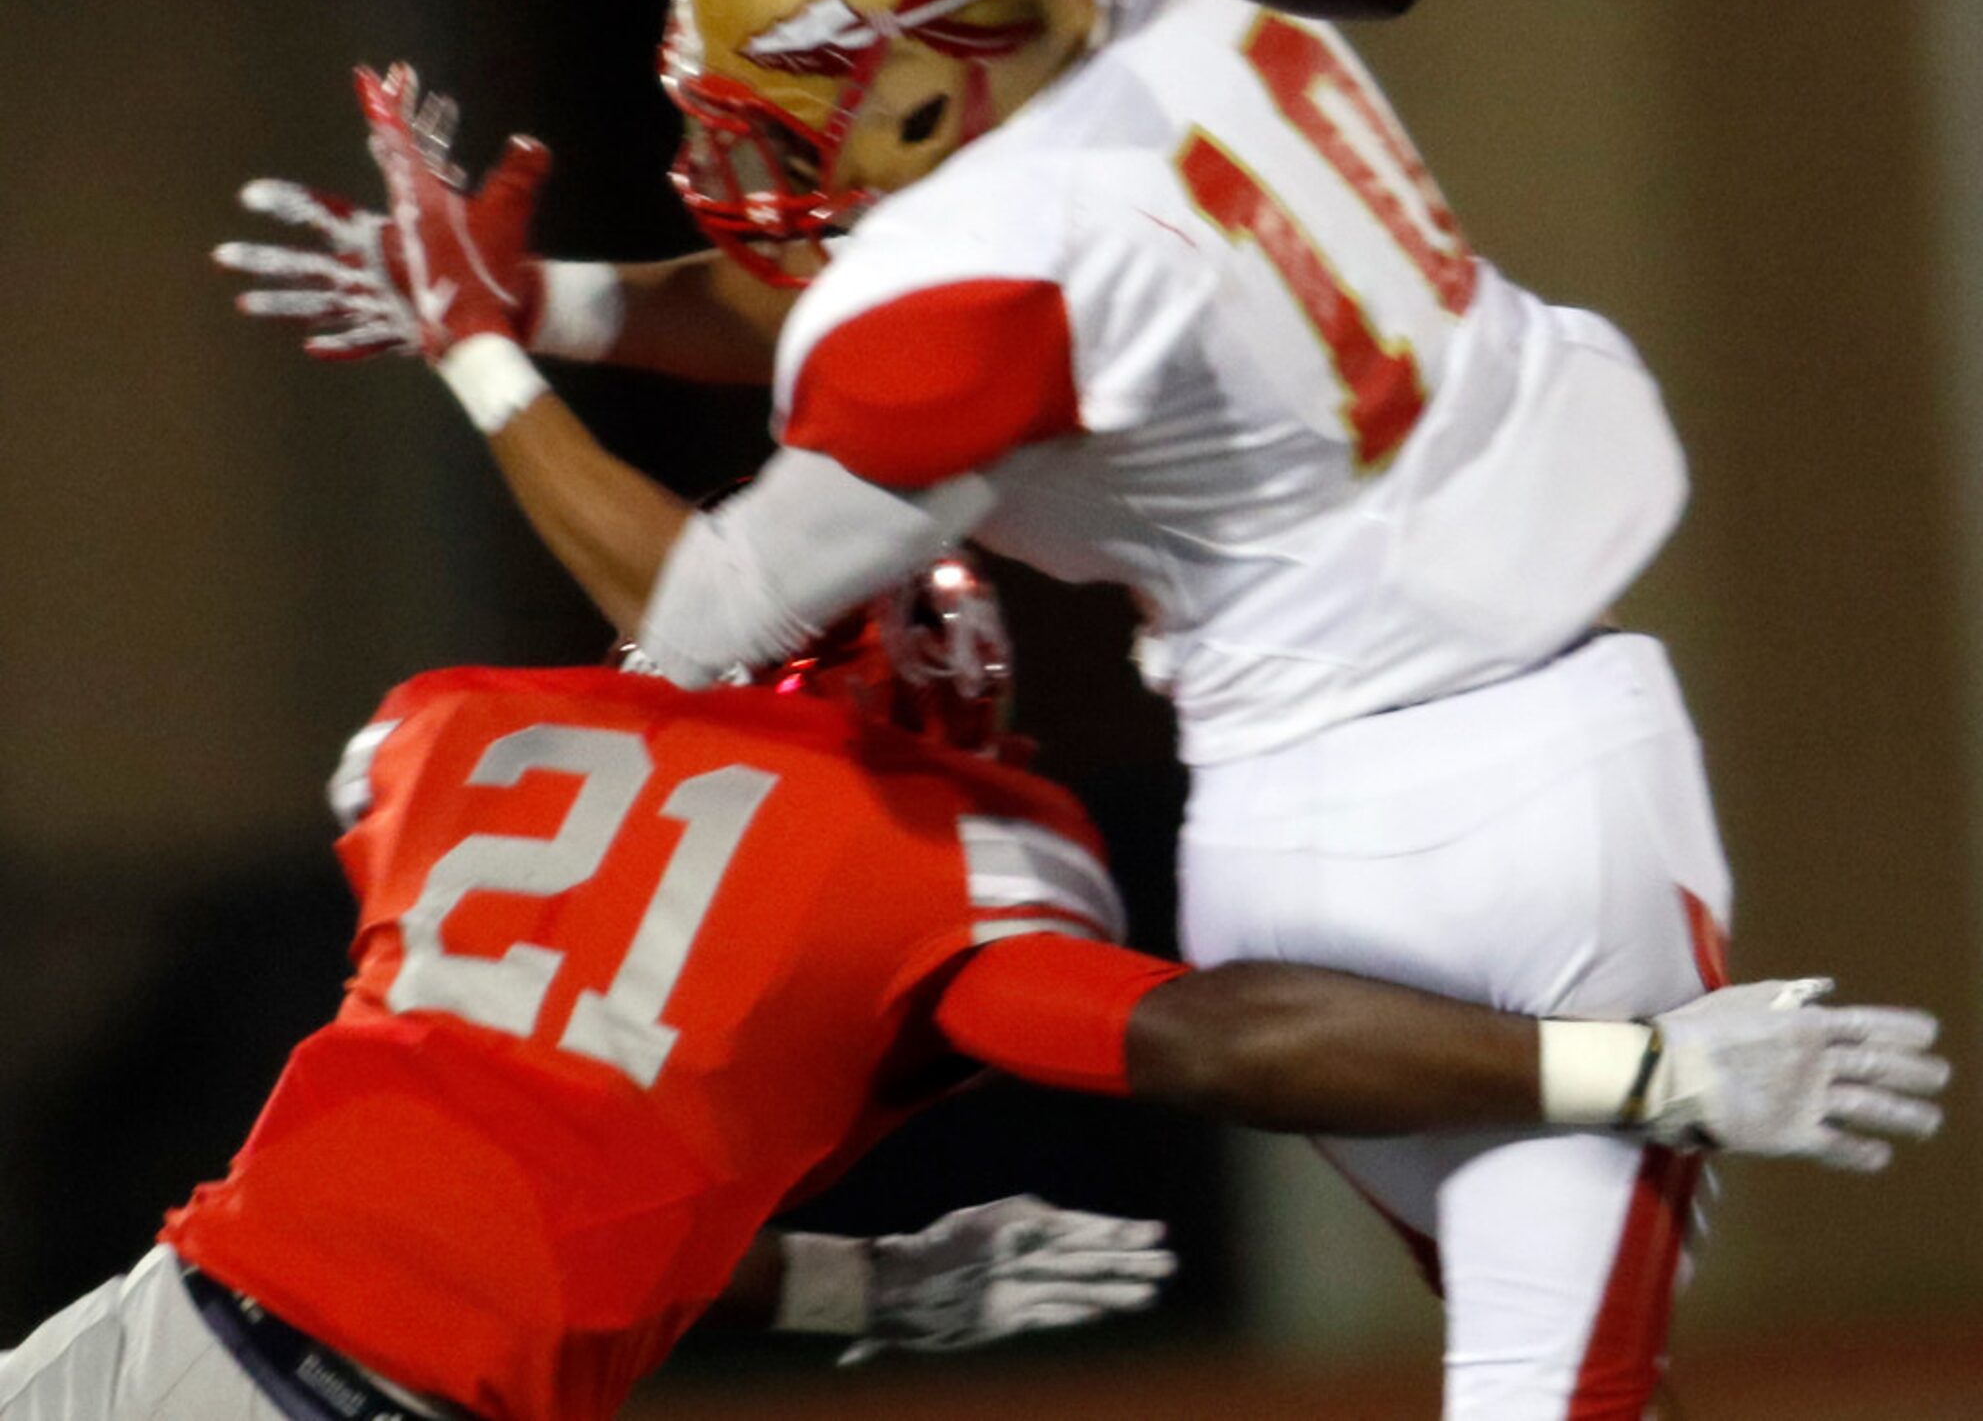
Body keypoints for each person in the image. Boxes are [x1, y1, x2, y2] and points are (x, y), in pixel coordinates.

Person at [220, 0, 1935, 1416]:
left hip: (1293, 814)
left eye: (774, 109)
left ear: (921, 82)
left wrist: (482, 339)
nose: (728, 151)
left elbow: (709, 604)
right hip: (1525, 771)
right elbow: (872, 326)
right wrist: (1644, 1068)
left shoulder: (455, 733)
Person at [0, 558, 1946, 1421]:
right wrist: (1630, 1070)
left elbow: (539, 1130)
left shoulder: (456, 741)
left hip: (145, 1329)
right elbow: (1211, 1037)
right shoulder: (922, 861)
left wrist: (867, 1285)